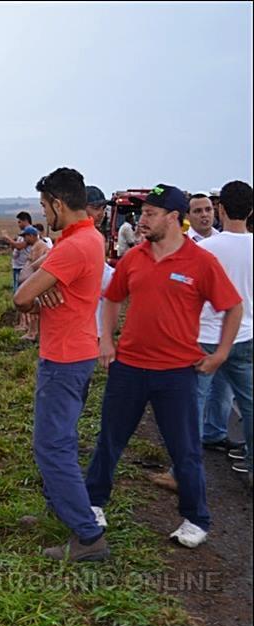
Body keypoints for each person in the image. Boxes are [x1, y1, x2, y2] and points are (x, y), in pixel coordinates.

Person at [86, 184, 242, 549]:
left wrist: (220, 353)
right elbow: (112, 299)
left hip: (176, 373)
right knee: (109, 439)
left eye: (151, 214)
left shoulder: (201, 262)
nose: (143, 220)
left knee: (184, 448)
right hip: (129, 369)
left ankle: (196, 518)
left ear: (174, 218)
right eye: (142, 213)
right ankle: (93, 503)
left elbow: (232, 307)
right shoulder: (134, 258)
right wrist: (106, 341)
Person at [13, 167, 107, 562]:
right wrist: (43, 282)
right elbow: (34, 283)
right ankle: (61, 508)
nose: (42, 213)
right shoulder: (86, 238)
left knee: (51, 445)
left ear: (57, 203)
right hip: (75, 350)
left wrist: (38, 287)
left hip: (65, 357)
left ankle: (88, 537)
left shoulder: (73, 247)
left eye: (43, 206)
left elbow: (20, 298)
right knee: (61, 438)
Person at [196, 181, 253, 478]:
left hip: (206, 336)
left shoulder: (206, 249)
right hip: (245, 336)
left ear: (221, 209)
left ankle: (184, 470)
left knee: (193, 402)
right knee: (247, 400)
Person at [84, 186, 117, 337]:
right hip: (85, 326)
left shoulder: (95, 236)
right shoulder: (87, 239)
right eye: (96, 207)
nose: (101, 213)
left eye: (103, 208)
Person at [17, 226, 49, 341]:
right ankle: (31, 331)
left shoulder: (39, 246)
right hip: (32, 281)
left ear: (31, 236)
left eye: (26, 237)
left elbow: (36, 266)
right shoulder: (35, 246)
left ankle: (33, 332)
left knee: (35, 309)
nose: (25, 240)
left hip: (36, 283)